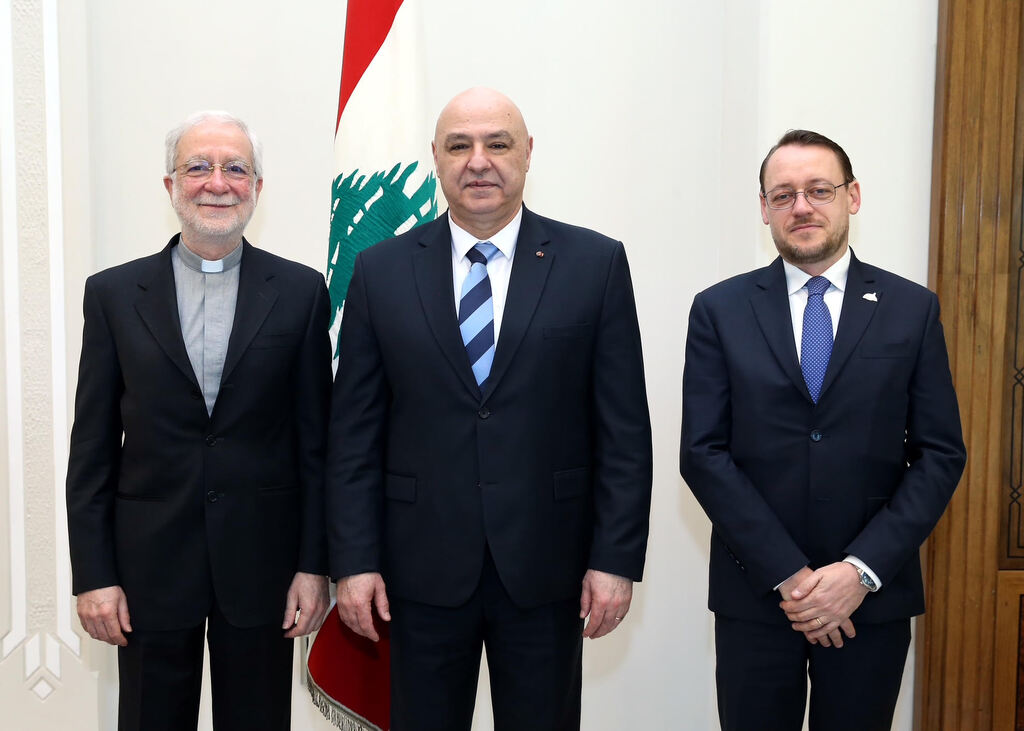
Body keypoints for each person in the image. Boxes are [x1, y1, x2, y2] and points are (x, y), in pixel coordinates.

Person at [326, 87, 653, 730]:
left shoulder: (595, 264)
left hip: (546, 568)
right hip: (416, 574)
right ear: (436, 159)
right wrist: (354, 560)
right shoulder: (379, 270)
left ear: (527, 153)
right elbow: (353, 436)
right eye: (459, 146)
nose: (479, 161)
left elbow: (623, 433)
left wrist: (614, 560)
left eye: (497, 144)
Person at [680, 129, 967, 731]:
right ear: (763, 209)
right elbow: (704, 454)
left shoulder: (911, 309)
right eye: (782, 195)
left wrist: (858, 572)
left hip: (871, 599)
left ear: (852, 196)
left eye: (818, 190)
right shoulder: (719, 310)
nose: (801, 206)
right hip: (757, 595)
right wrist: (792, 576)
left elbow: (940, 454)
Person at [66, 111, 332, 731]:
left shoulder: (300, 293)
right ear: (169, 185)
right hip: (148, 570)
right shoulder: (111, 295)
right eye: (199, 166)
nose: (218, 182)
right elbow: (93, 448)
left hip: (264, 570)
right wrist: (94, 573)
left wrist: (314, 564)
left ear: (258, 187)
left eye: (236, 168)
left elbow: (317, 444)